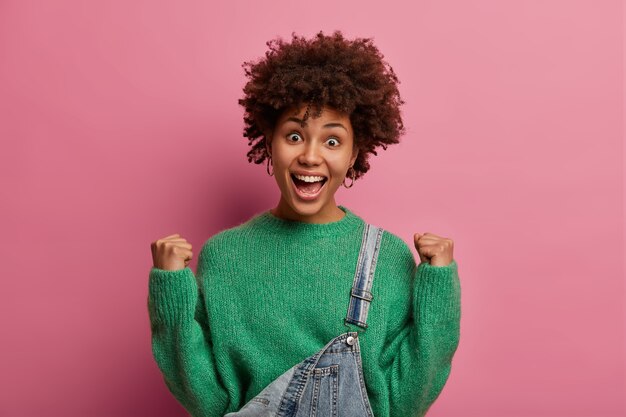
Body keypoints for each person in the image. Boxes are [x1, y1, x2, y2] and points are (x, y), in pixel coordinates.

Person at [148, 30, 461, 417]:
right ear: (269, 143)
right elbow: (207, 401)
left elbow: (407, 400)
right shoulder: (223, 256)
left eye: (332, 141)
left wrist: (440, 283)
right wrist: (170, 289)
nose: (311, 156)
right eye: (294, 135)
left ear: (353, 154)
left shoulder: (388, 258)